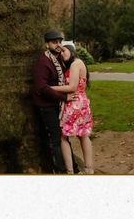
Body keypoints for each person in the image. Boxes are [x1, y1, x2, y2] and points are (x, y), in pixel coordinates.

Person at [32, 29, 79, 174]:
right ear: (47, 45)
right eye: (54, 42)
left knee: (64, 138)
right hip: (47, 106)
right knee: (56, 140)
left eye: (60, 42)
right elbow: (41, 88)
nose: (58, 45)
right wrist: (63, 97)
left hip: (58, 105)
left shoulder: (60, 59)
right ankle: (61, 170)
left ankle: (73, 168)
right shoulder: (43, 62)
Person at [51, 44, 94, 174]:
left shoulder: (75, 64)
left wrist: (50, 88)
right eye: (60, 53)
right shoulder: (78, 64)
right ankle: (89, 169)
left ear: (71, 50)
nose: (62, 54)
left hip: (74, 103)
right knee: (83, 135)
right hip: (81, 102)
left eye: (64, 50)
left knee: (64, 136)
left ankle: (70, 171)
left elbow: (72, 87)